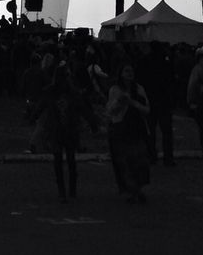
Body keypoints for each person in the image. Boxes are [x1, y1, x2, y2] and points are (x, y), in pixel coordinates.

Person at [36, 64, 94, 202]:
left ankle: (71, 190)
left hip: (69, 129)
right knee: (60, 161)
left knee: (70, 161)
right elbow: (42, 105)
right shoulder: (53, 92)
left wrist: (92, 121)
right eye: (66, 75)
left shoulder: (72, 93)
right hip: (58, 130)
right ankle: (63, 190)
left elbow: (82, 109)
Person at [106, 63, 151, 202]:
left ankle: (137, 189)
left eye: (131, 70)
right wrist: (119, 101)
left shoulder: (139, 89)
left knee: (140, 161)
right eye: (126, 71)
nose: (129, 73)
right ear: (120, 73)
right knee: (125, 162)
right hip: (121, 129)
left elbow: (147, 109)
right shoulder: (115, 90)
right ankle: (132, 190)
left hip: (137, 128)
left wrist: (131, 102)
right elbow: (110, 111)